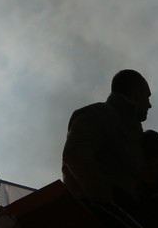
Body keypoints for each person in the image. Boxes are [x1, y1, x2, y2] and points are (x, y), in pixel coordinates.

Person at [61, 69, 152, 211]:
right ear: (137, 94)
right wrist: (102, 197)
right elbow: (75, 152)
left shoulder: (136, 134)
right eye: (147, 97)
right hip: (103, 213)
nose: (149, 104)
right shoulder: (99, 114)